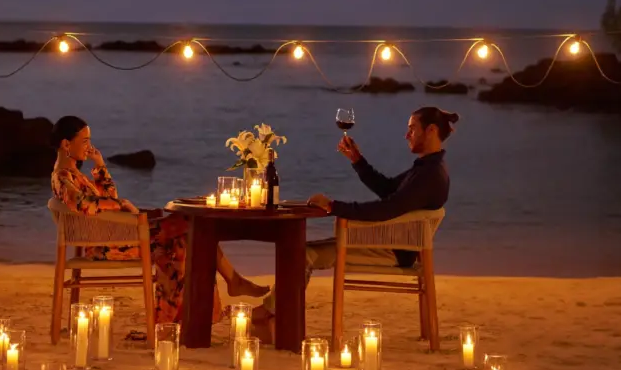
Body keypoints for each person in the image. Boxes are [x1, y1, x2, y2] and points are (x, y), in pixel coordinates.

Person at [50, 115, 268, 326]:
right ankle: (225, 286)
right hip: (108, 244)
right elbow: (85, 204)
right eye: (84, 141)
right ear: (66, 144)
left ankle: (175, 320)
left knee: (186, 238)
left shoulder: (74, 174)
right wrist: (122, 205)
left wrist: (99, 166)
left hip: (115, 236)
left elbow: (108, 197)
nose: (89, 146)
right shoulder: (62, 176)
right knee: (189, 223)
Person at [255, 106, 457, 333]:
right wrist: (357, 160)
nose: (406, 135)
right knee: (300, 250)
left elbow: (385, 209)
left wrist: (333, 207)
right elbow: (388, 189)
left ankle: (270, 317)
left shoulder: (429, 175)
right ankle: (272, 318)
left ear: (431, 130)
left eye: (412, 129)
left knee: (302, 254)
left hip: (391, 250)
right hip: (390, 243)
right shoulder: (429, 168)